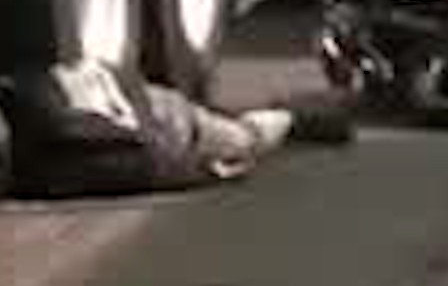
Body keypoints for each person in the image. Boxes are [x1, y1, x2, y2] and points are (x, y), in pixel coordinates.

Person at [0, 59, 354, 201]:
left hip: (165, 124)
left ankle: (309, 113)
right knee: (233, 127)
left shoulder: (47, 164)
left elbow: (143, 166)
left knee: (245, 139)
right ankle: (309, 111)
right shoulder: (14, 92)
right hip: (136, 98)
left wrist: (205, 173)